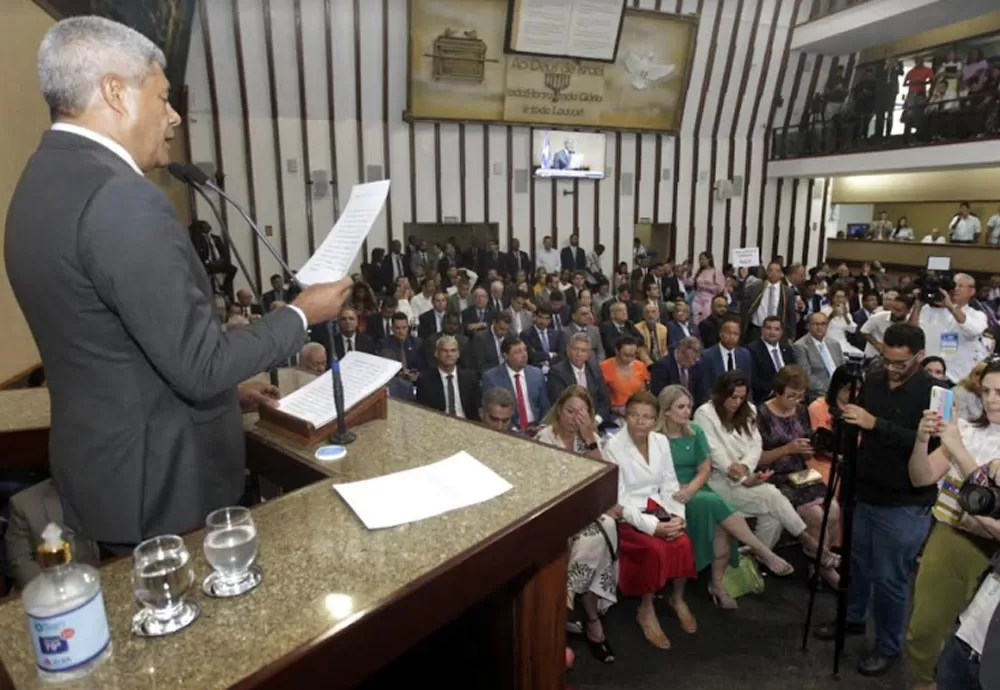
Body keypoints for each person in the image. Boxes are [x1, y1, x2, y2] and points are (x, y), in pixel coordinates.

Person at [4, 17, 352, 549]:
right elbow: (199, 363)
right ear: (115, 93)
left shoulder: (37, 185)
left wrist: (228, 392)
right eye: (163, 97)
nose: (174, 116)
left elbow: (110, 344)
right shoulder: (123, 197)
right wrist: (301, 314)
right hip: (163, 489)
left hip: (104, 478)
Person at [813, 324, 934, 677]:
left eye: (901, 363)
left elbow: (932, 446)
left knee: (890, 578)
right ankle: (851, 619)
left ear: (919, 357)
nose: (892, 368)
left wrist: (875, 423)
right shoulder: (875, 380)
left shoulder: (935, 392)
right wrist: (846, 421)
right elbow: (859, 420)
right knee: (858, 564)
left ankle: (888, 646)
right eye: (887, 359)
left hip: (905, 500)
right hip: (864, 487)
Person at [905, 360, 1000, 690]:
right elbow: (920, 477)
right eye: (986, 391)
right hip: (950, 538)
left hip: (993, 551)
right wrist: (920, 440)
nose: (991, 400)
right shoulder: (968, 431)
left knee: (981, 645)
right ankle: (924, 681)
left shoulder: (962, 438)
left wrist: (959, 451)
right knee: (924, 627)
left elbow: (989, 503)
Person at [655, 385, 792, 610]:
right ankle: (761, 551)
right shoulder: (656, 437)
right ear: (666, 410)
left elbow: (704, 469)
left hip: (696, 488)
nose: (687, 411)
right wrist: (683, 490)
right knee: (721, 507)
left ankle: (717, 585)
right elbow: (654, 472)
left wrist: (691, 489)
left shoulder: (695, 431)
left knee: (720, 525)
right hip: (669, 493)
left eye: (689, 406)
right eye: (681, 407)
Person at [694, 371, 832, 568]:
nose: (737, 402)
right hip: (717, 480)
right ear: (720, 394)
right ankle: (805, 541)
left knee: (773, 517)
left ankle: (750, 563)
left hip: (744, 477)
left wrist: (746, 470)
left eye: (742, 397)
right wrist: (742, 477)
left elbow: (755, 445)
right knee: (771, 494)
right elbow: (714, 451)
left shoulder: (749, 409)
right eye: (733, 397)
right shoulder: (704, 413)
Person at [603, 392, 698, 650]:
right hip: (630, 515)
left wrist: (677, 516)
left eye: (647, 417)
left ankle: (677, 599)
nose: (640, 422)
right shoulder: (613, 447)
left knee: (683, 543)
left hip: (661, 507)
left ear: (655, 419)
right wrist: (654, 528)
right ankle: (646, 610)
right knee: (654, 549)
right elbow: (620, 500)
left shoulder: (660, 441)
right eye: (634, 415)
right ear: (625, 415)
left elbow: (669, 483)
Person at [534, 387, 618, 663]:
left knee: (602, 527)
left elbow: (604, 479)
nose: (574, 418)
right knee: (602, 531)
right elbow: (542, 487)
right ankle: (593, 621)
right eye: (570, 411)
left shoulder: (589, 438)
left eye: (582, 413)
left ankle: (568, 593)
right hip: (553, 511)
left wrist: (590, 440)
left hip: (585, 509)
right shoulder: (545, 437)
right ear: (559, 410)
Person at [757, 365, 841, 587]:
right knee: (816, 515)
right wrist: (787, 449)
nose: (795, 401)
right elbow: (756, 458)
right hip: (775, 474)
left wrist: (810, 448)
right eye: (791, 396)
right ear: (778, 391)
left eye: (800, 396)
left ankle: (819, 560)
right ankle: (822, 565)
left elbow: (807, 440)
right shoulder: (761, 414)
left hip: (801, 471)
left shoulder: (801, 411)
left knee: (833, 510)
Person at [600, 336, 650, 419]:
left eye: (633, 355)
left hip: (636, 409)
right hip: (614, 413)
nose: (629, 358)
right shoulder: (604, 367)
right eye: (626, 355)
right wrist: (613, 408)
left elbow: (643, 391)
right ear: (617, 351)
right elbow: (600, 396)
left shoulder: (640, 366)